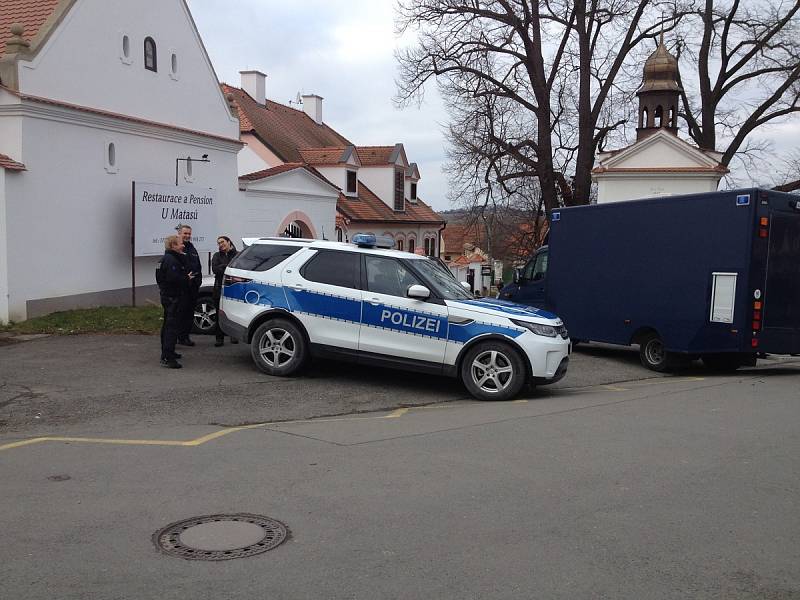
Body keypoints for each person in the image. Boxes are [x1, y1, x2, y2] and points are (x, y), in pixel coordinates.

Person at [156, 235, 195, 368]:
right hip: (172, 298)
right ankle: (167, 357)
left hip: (169, 297)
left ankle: (169, 351)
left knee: (168, 326)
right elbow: (174, 279)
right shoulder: (171, 260)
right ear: (173, 245)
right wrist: (186, 278)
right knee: (171, 328)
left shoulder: (168, 258)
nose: (183, 245)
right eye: (180, 243)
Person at [211, 236, 239, 347]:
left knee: (234, 313)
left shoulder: (238, 255)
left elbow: (239, 270)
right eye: (218, 243)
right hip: (219, 288)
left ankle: (234, 335)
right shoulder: (216, 256)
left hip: (234, 289)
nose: (220, 244)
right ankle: (219, 338)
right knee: (219, 313)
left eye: (222, 242)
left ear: (229, 242)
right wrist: (226, 266)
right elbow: (215, 269)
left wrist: (223, 267)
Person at [177, 224, 202, 346]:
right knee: (180, 313)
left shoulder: (192, 248)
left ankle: (185, 337)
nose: (187, 236)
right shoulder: (177, 248)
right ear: (179, 234)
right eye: (185, 233)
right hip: (182, 288)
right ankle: (177, 337)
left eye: (189, 234)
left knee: (189, 313)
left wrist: (198, 282)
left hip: (193, 287)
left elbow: (197, 265)